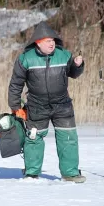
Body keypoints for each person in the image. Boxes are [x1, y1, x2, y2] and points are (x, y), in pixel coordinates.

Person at [8, 21, 86, 183]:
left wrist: (78, 65)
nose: (52, 43)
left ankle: (70, 173)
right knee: (34, 138)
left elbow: (74, 73)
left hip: (63, 105)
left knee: (68, 138)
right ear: (38, 42)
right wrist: (15, 107)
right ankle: (32, 173)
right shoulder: (25, 59)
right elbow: (16, 84)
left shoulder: (64, 55)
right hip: (37, 106)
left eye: (53, 40)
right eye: (48, 41)